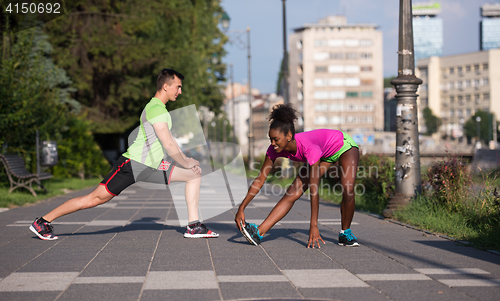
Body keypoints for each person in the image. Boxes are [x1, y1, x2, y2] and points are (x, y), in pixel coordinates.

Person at [30, 68, 219, 240]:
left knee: (194, 175)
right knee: (94, 199)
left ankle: (194, 226)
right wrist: (185, 162)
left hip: (151, 166)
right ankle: (43, 222)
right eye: (178, 87)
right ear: (165, 86)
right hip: (133, 165)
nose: (180, 91)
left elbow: (170, 141)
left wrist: (187, 161)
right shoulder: (155, 109)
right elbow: (168, 143)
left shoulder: (160, 109)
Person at [235, 104, 359, 248]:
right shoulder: (274, 149)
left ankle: (345, 233)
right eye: (270, 139)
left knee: (348, 188)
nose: (272, 143)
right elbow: (260, 179)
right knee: (292, 193)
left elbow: (314, 188)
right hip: (324, 153)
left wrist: (313, 225)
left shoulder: (308, 148)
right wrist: (242, 208)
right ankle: (259, 232)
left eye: (276, 139)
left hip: (343, 145)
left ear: (288, 136)